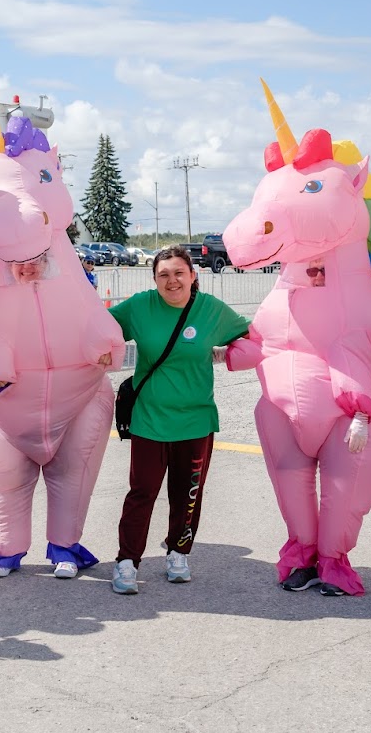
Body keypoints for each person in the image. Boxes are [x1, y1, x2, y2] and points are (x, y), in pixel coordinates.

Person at [107, 247, 250, 594]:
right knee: (142, 492)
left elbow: (249, 335)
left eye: (179, 273)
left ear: (193, 275)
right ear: (154, 279)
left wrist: (227, 353)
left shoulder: (210, 311)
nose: (172, 281)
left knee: (187, 493)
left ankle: (178, 552)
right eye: (164, 275)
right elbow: (98, 326)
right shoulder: (140, 306)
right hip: (149, 419)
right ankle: (127, 561)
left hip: (196, 420)